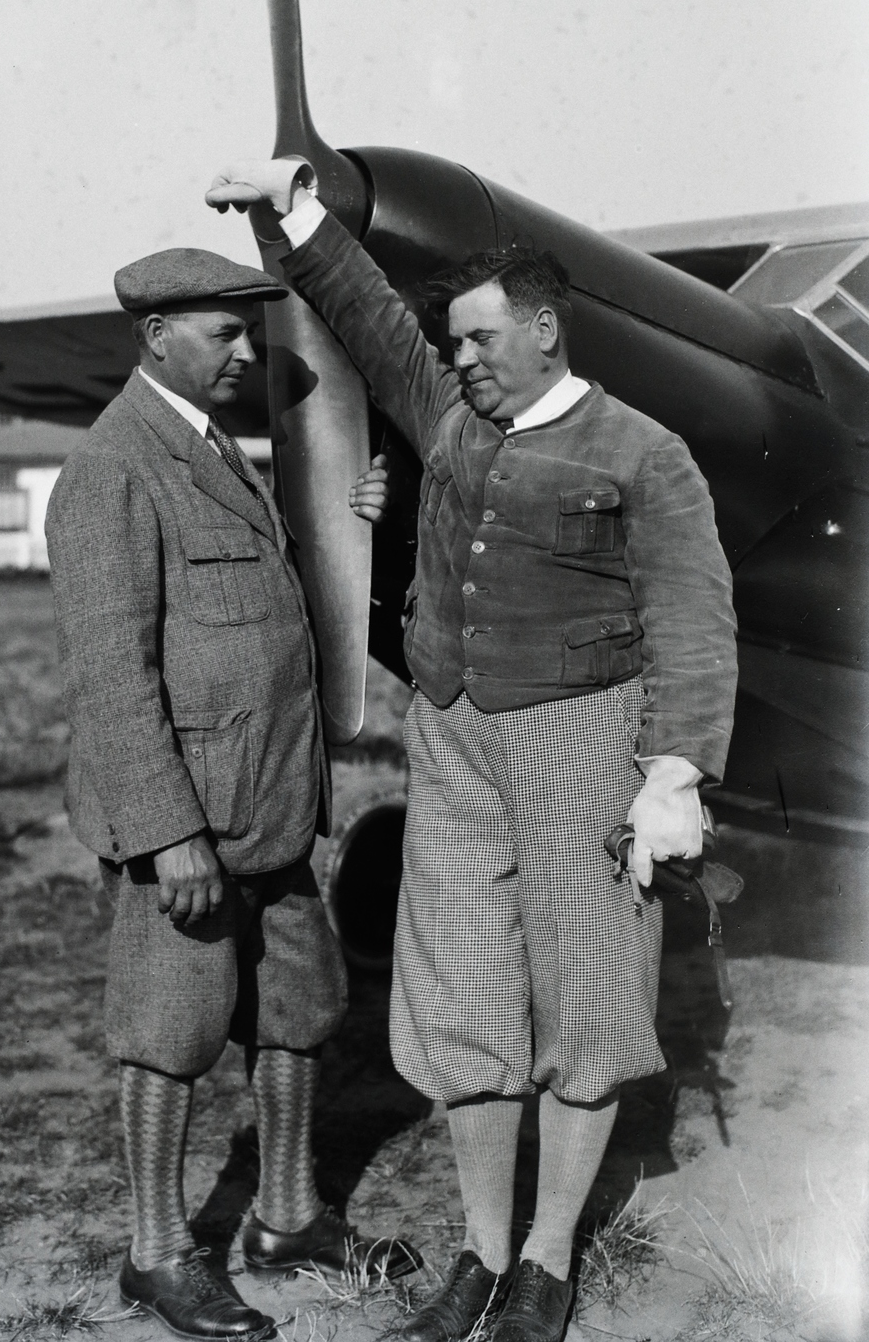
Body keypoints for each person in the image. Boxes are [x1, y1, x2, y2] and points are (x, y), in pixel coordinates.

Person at [205, 162, 738, 1342]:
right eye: (454, 344)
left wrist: (673, 774)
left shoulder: (645, 454)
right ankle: (481, 1252)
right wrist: (288, 206)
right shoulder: (448, 413)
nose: (461, 360)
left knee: (588, 992)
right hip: (447, 738)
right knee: (459, 989)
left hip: (581, 736)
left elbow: (694, 623)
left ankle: (546, 1261)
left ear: (546, 330)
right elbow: (365, 309)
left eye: (484, 340)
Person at [46, 245, 416, 1342]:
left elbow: (268, 608)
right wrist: (167, 837)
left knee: (298, 1011)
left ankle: (287, 1215)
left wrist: (353, 521)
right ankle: (158, 1253)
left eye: (244, 332)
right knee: (170, 1030)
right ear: (155, 333)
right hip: (192, 828)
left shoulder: (209, 449)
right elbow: (113, 678)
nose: (243, 351)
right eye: (220, 332)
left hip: (270, 816)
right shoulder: (114, 468)